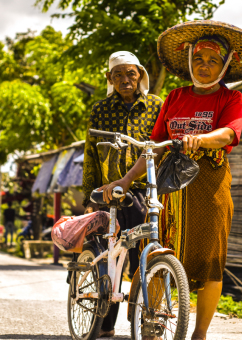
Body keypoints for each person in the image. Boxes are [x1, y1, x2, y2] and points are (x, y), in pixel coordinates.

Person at [101, 21, 242, 340]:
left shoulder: (230, 99)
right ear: (190, 61)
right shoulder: (175, 97)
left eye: (213, 60)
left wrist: (201, 139)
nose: (204, 66)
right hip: (169, 189)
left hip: (209, 188)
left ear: (225, 66)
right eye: (199, 59)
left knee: (210, 261)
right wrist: (124, 178)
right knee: (160, 250)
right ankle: (152, 322)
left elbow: (230, 133)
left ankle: (199, 333)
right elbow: (153, 146)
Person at [82, 51, 164, 337]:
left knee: (146, 255)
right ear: (109, 78)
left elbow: (161, 145)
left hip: (145, 190)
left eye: (130, 73)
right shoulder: (100, 110)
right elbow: (90, 154)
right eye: (118, 75)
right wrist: (88, 198)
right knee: (109, 257)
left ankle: (147, 318)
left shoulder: (156, 105)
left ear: (140, 74)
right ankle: (104, 324)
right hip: (109, 194)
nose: (125, 79)